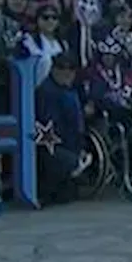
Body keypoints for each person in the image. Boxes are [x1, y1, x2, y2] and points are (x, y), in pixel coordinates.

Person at [34, 53, 87, 205]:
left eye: (71, 69)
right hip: (51, 146)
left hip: (70, 143)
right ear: (53, 69)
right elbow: (48, 126)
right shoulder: (46, 92)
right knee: (67, 161)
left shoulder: (71, 91)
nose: (67, 72)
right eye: (62, 68)